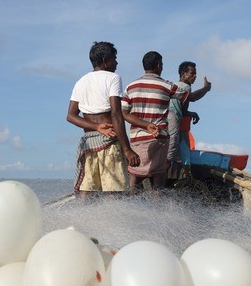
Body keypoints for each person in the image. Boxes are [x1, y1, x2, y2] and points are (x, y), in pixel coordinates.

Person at [66, 41, 139, 198]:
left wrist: (95, 127)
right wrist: (127, 149)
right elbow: (116, 114)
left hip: (89, 145)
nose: (117, 62)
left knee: (86, 192)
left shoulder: (81, 81)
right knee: (114, 192)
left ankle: (81, 222)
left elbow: (71, 116)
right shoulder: (113, 78)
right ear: (105, 60)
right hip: (109, 143)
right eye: (114, 58)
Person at [122, 51, 188, 193]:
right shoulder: (166, 86)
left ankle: (132, 210)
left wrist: (143, 125)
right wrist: (205, 88)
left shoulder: (130, 87)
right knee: (158, 185)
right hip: (159, 138)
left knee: (134, 180)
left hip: (137, 140)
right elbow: (186, 96)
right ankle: (157, 213)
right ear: (158, 65)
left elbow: (124, 113)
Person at [167, 61, 212, 180]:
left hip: (173, 119)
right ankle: (169, 177)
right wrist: (206, 88)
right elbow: (193, 98)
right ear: (183, 74)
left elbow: (182, 108)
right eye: (192, 73)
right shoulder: (184, 86)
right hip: (172, 120)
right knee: (173, 151)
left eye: (195, 74)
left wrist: (191, 113)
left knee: (174, 151)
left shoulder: (180, 86)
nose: (195, 76)